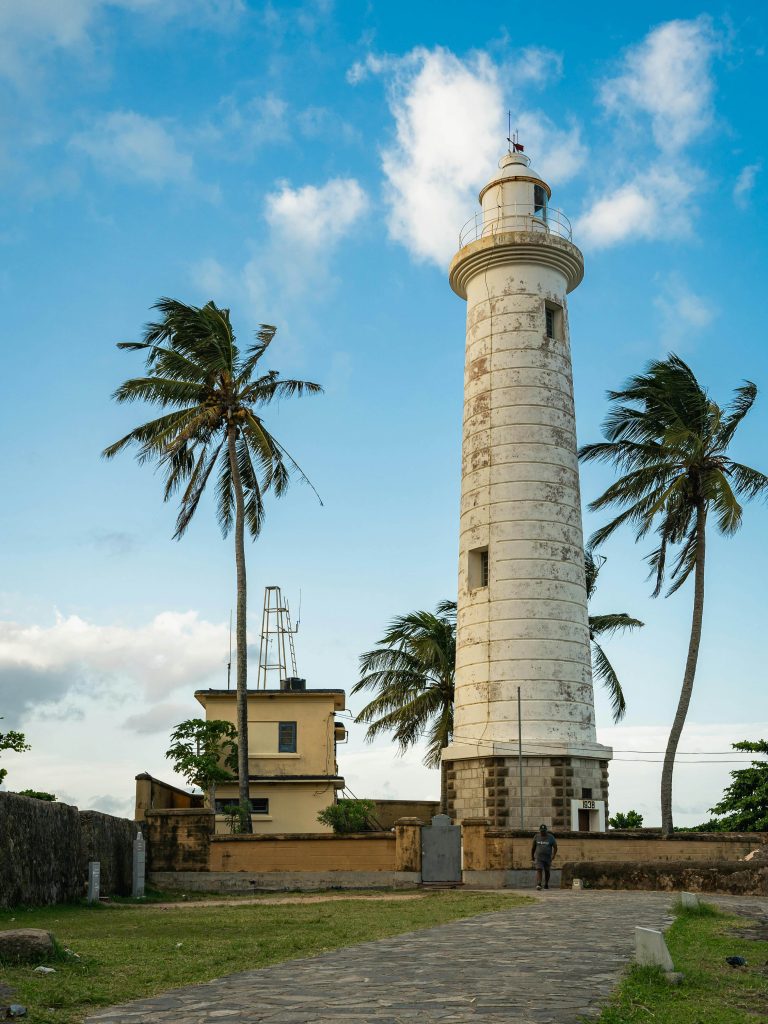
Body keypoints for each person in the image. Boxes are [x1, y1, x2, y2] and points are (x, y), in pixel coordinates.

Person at [531, 823, 557, 890]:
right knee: (539, 869)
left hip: (548, 857)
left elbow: (555, 847)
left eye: (544, 831)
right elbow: (533, 848)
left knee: (547, 871)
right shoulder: (536, 837)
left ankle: (546, 884)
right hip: (539, 857)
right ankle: (539, 884)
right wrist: (532, 856)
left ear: (546, 831)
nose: (542, 832)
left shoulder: (551, 837)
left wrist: (553, 855)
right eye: (541, 831)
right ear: (540, 831)